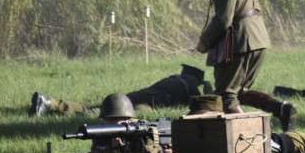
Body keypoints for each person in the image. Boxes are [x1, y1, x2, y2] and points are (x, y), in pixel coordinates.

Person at [194, 0, 296, 131]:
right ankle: (281, 109)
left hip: (239, 42)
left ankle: (246, 137)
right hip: (258, 40)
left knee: (227, 96)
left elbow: (224, 19)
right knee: (239, 92)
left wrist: (204, 41)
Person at [29, 64, 209, 117]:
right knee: (103, 116)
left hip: (138, 95)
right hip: (147, 105)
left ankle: (50, 103)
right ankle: (52, 106)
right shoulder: (189, 87)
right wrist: (209, 89)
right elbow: (203, 106)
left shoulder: (173, 79)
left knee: (100, 109)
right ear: (195, 80)